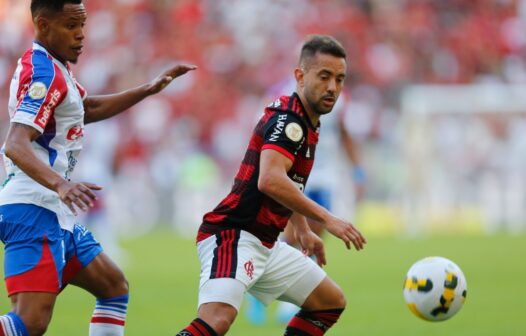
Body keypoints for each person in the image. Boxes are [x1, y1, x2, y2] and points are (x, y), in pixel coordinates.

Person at [0, 1, 196, 335]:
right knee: (30, 323)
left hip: (51, 209)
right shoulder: (45, 74)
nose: (80, 35)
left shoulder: (54, 67)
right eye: (70, 26)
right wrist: (61, 185)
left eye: (83, 25)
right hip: (33, 208)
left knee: (113, 287)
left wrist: (148, 89)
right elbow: (16, 143)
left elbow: (85, 108)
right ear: (43, 25)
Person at [177, 34, 366, 336]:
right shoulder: (290, 121)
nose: (333, 87)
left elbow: (290, 181)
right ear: (300, 76)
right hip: (234, 234)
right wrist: (327, 219)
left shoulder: (308, 120)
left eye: (340, 79)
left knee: (328, 302)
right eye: (324, 76)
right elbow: (270, 180)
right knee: (218, 319)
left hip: (265, 243)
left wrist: (302, 230)